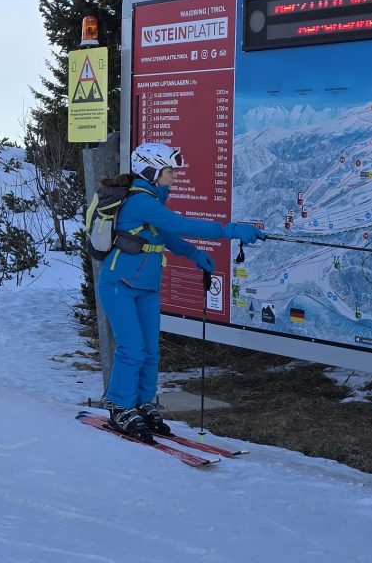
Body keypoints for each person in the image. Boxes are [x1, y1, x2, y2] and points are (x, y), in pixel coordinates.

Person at [95, 142, 263, 442]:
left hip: (145, 287)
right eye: (169, 170)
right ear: (152, 171)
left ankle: (144, 405)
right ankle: (120, 407)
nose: (174, 175)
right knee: (132, 348)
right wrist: (231, 230)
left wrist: (196, 255)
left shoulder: (153, 202)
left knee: (150, 350)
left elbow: (169, 236)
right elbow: (180, 224)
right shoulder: (140, 201)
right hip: (118, 285)